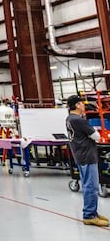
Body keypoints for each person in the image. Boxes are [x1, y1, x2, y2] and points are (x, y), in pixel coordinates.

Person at [66, 95, 108, 227]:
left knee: (88, 185)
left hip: (80, 155)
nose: (84, 106)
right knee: (91, 186)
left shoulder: (70, 119)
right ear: (77, 105)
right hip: (87, 156)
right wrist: (94, 130)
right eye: (82, 104)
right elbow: (96, 136)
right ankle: (89, 215)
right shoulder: (79, 120)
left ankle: (91, 212)